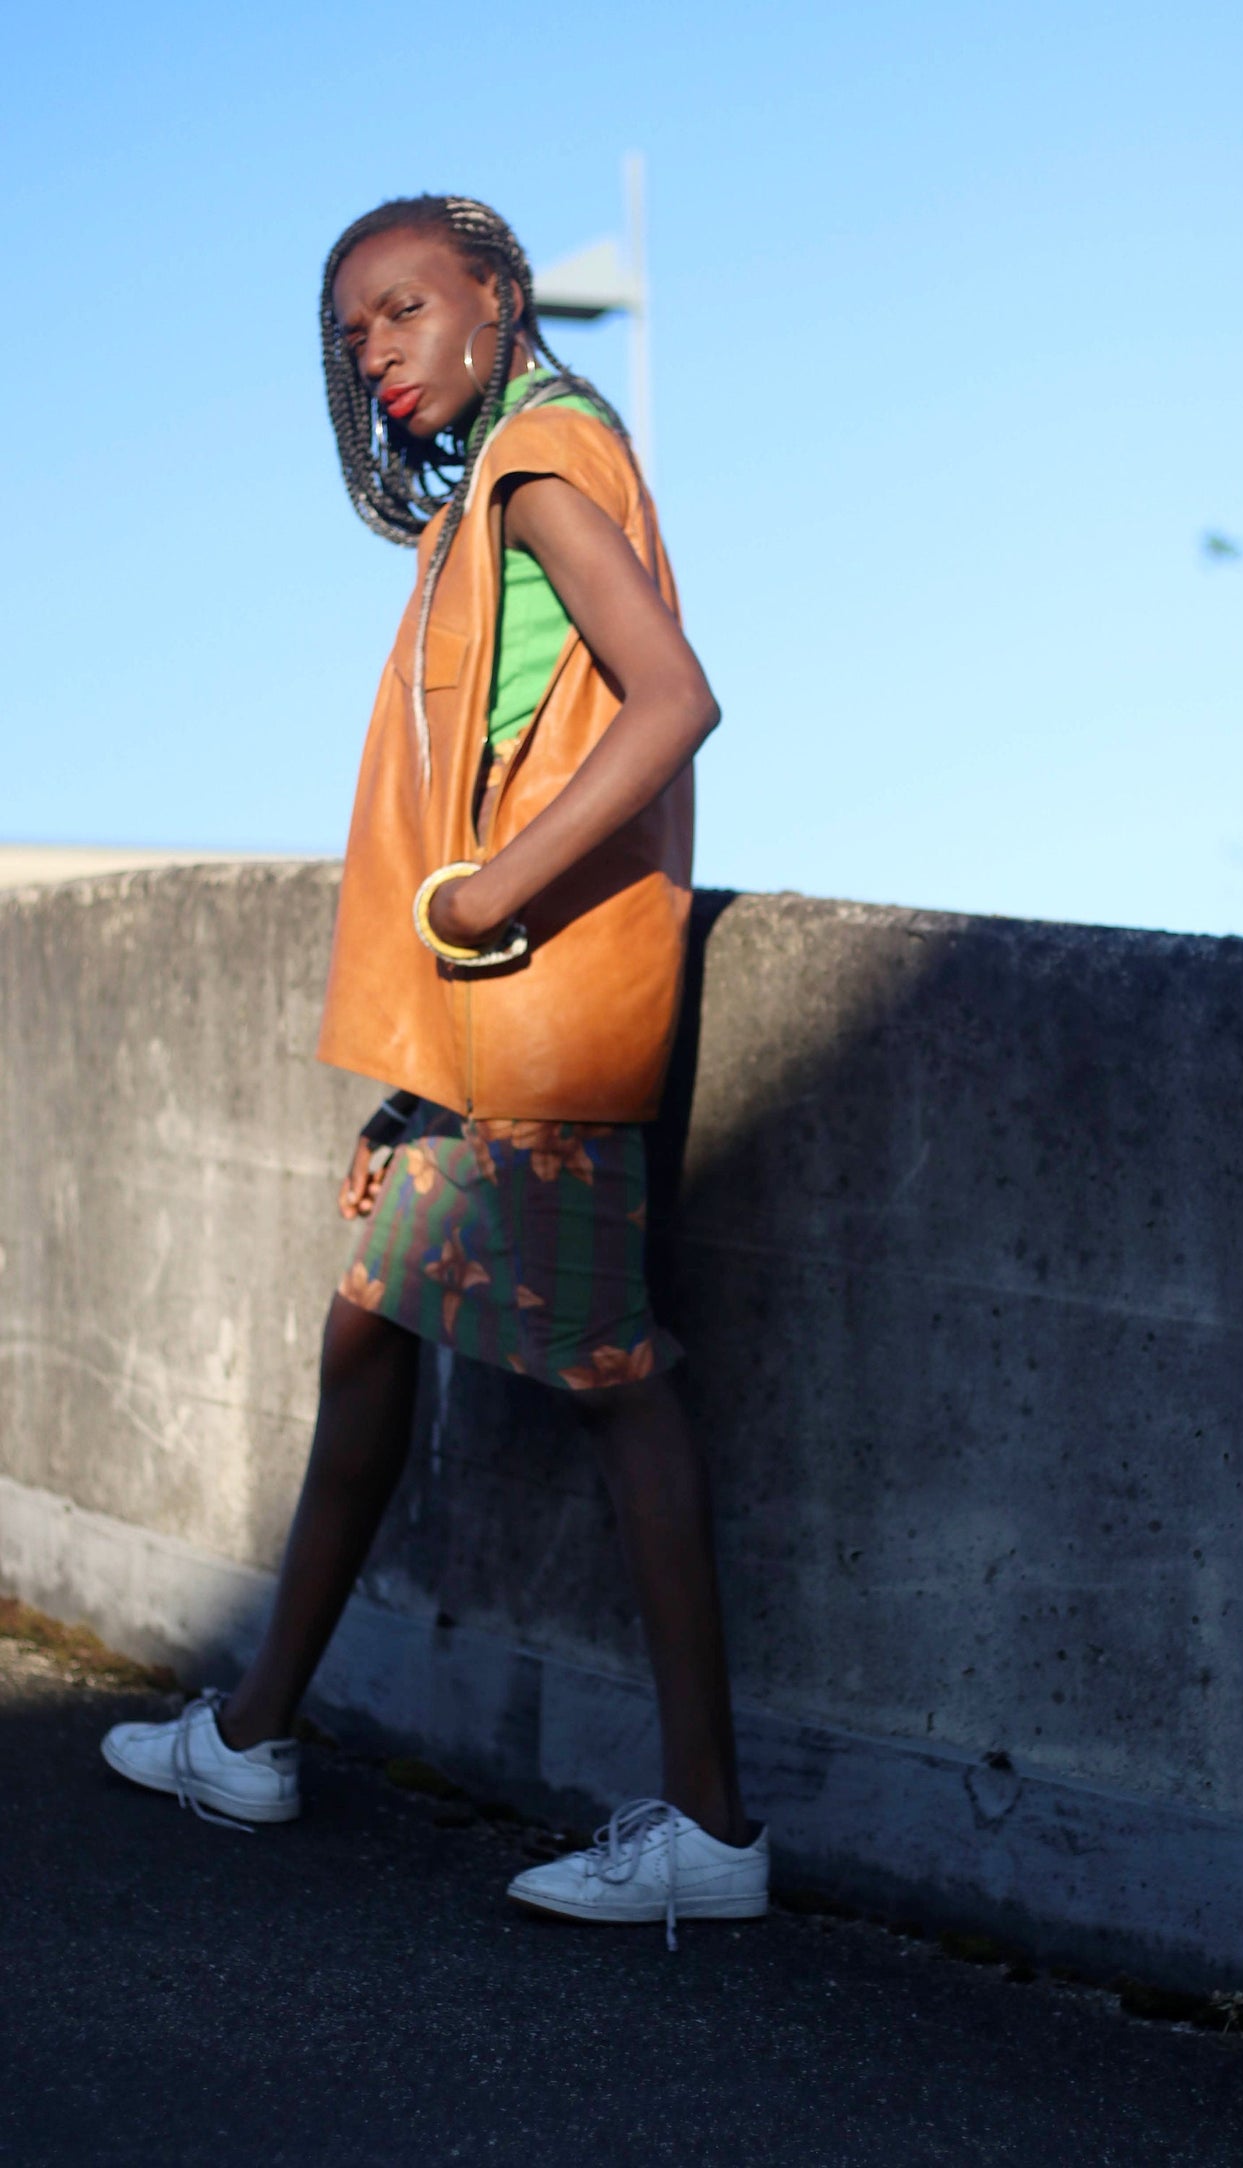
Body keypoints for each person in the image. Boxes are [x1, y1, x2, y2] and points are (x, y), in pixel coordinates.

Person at [101, 194, 766, 1943]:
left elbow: (673, 697)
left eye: (404, 311)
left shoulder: (539, 465)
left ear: (497, 296)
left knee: (615, 1382)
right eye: (354, 335)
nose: (378, 350)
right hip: (486, 1026)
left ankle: (710, 1826)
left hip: (529, 1014)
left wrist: (488, 888)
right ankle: (250, 1735)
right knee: (367, 1338)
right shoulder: (506, 478)